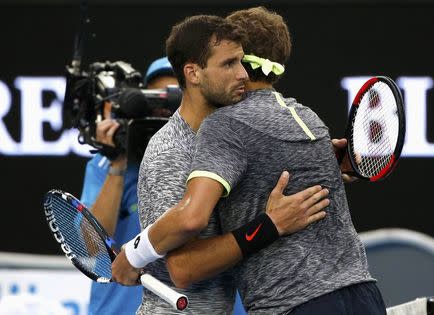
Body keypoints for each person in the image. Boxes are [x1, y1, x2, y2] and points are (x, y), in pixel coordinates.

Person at [113, 15, 331, 314]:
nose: (243, 74)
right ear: (193, 73)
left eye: (242, 62)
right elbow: (183, 267)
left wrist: (325, 160)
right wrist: (268, 226)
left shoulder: (232, 138)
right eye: (229, 64)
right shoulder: (171, 151)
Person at [80, 56, 177, 315]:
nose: (165, 110)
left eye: (175, 99)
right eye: (154, 100)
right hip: (119, 308)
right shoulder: (107, 162)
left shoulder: (219, 153)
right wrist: (118, 163)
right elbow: (92, 249)